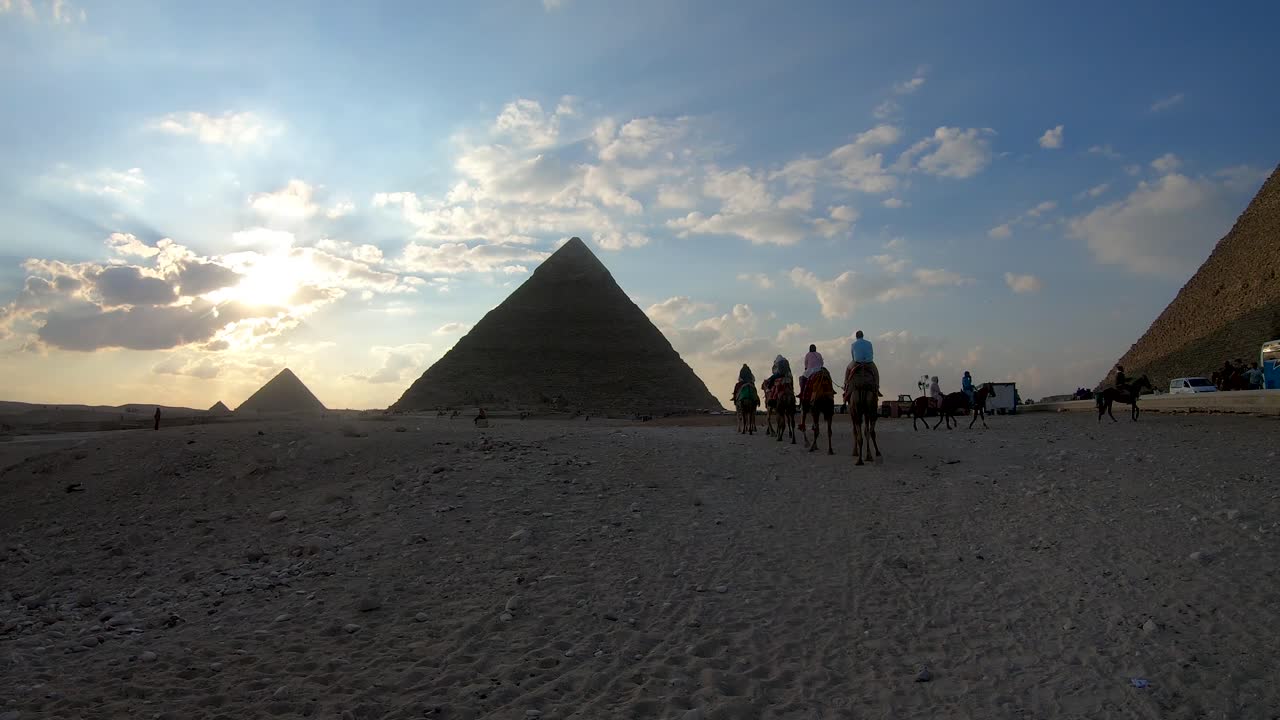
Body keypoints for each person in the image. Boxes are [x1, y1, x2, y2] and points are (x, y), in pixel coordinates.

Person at [848, 330, 881, 397]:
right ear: (863, 336)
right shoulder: (869, 343)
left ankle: (846, 385)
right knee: (876, 373)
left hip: (857, 363)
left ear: (856, 337)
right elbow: (871, 353)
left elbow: (853, 356)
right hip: (869, 363)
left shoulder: (853, 344)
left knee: (848, 369)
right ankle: (877, 387)